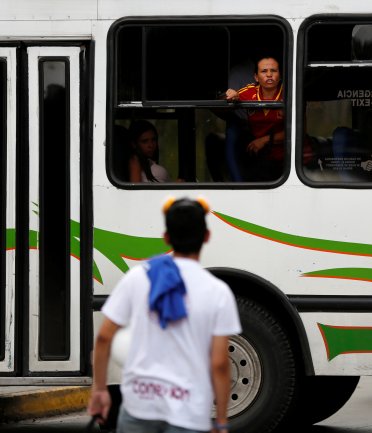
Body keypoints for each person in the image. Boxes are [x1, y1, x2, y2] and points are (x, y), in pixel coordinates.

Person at [88, 197, 242, 433]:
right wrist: (221, 421)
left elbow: (103, 339)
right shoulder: (218, 292)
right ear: (207, 237)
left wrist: (100, 390)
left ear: (167, 238)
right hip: (189, 412)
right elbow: (220, 363)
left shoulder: (138, 278)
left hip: (139, 406)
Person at [225, 56, 285, 181]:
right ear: (256, 77)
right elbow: (229, 98)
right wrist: (232, 95)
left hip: (288, 158)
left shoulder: (290, 92)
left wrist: (263, 140)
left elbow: (298, 131)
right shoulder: (250, 91)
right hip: (260, 156)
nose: (269, 75)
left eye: (273, 71)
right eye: (264, 71)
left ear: (280, 75)